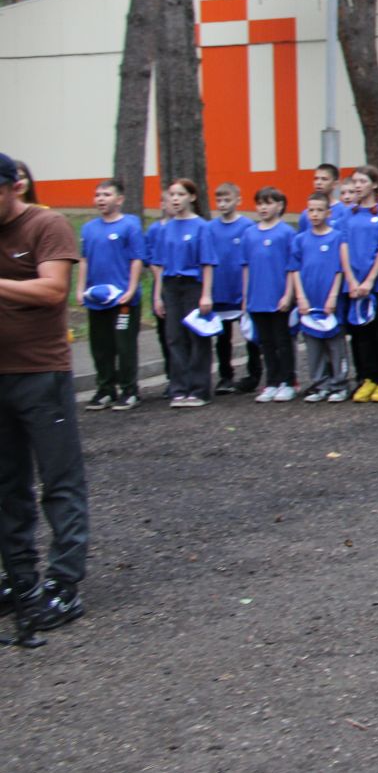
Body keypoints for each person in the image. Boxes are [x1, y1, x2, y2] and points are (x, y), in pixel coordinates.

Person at [0, 151, 90, 635]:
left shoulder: (47, 225)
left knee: (59, 481)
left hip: (41, 374)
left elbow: (53, 289)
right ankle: (19, 579)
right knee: (6, 485)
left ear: (14, 186)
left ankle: (64, 585)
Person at [78, 178, 146, 411]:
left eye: (106, 195)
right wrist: (80, 289)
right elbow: (84, 260)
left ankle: (130, 390)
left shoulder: (130, 225)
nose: (100, 199)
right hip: (97, 299)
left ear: (119, 199)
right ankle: (105, 389)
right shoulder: (89, 228)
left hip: (123, 300)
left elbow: (137, 259)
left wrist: (130, 290)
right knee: (100, 346)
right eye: (97, 195)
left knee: (124, 345)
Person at [148, 178, 217, 408]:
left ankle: (199, 389)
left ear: (192, 198)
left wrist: (206, 294)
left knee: (197, 337)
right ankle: (179, 387)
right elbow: (159, 265)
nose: (175, 199)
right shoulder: (165, 228)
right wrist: (158, 296)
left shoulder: (202, 227)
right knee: (175, 338)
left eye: (180, 194)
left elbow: (207, 263)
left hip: (193, 286)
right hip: (171, 286)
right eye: (172, 195)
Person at [338, 166, 378, 402]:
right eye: (354, 181)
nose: (357, 186)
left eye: (362, 181)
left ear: (374, 185)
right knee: (359, 334)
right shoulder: (348, 213)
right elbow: (343, 245)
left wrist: (370, 279)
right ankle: (366, 378)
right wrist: (352, 280)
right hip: (353, 285)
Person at [239, 188, 299, 402]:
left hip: (279, 296)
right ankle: (272, 381)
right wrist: (246, 297)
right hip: (258, 297)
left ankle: (288, 381)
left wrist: (288, 295)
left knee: (282, 341)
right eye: (259, 203)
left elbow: (292, 267)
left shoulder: (286, 233)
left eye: (268, 203)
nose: (263, 208)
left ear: (280, 206)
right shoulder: (249, 233)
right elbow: (245, 266)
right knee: (266, 343)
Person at [292, 193, 350, 402]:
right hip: (309, 299)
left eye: (319, 210)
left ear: (328, 213)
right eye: (311, 210)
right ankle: (320, 384)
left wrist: (333, 295)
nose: (314, 214)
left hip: (329, 300)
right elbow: (295, 268)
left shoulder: (336, 237)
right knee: (313, 344)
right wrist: (300, 296)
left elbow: (339, 269)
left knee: (335, 343)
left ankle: (340, 383)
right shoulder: (300, 239)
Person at [205, 183, 256, 395]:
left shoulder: (247, 227)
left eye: (227, 200)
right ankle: (225, 375)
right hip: (220, 290)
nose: (223, 204)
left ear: (238, 200)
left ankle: (254, 374)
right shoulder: (210, 228)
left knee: (250, 335)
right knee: (222, 337)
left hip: (241, 289)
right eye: (219, 201)